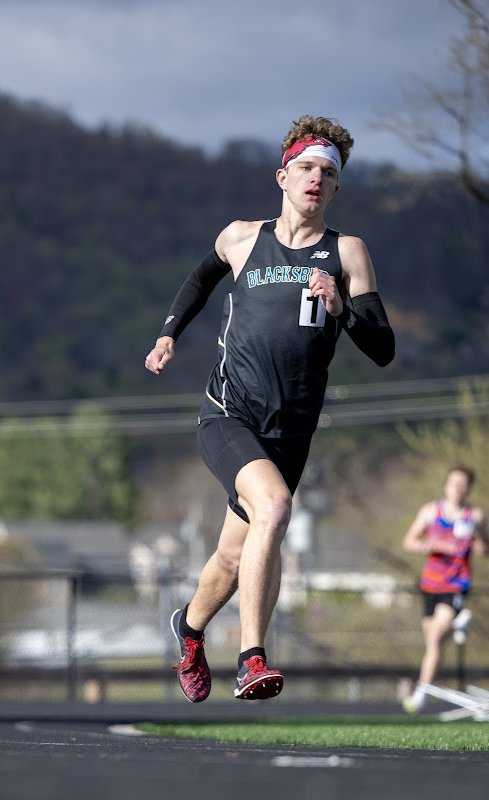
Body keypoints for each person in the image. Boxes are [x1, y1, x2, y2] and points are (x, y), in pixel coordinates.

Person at [145, 115, 395, 702]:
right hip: (229, 413)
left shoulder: (348, 252)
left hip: (292, 430)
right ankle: (253, 656)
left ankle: (188, 627)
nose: (316, 178)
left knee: (234, 558)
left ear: (336, 189)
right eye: (306, 167)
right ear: (283, 175)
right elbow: (200, 280)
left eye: (328, 172)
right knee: (276, 509)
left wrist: (342, 308)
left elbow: (383, 350)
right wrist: (169, 335)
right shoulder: (241, 237)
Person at [401, 464, 489, 713]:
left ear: (468, 489)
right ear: (446, 486)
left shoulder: (475, 516)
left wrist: (480, 547)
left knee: (435, 636)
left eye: (463, 485)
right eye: (454, 483)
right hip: (430, 583)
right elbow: (409, 541)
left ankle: (420, 695)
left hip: (456, 583)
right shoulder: (431, 511)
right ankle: (423, 691)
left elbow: (488, 548)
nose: (457, 489)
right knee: (434, 645)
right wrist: (432, 545)